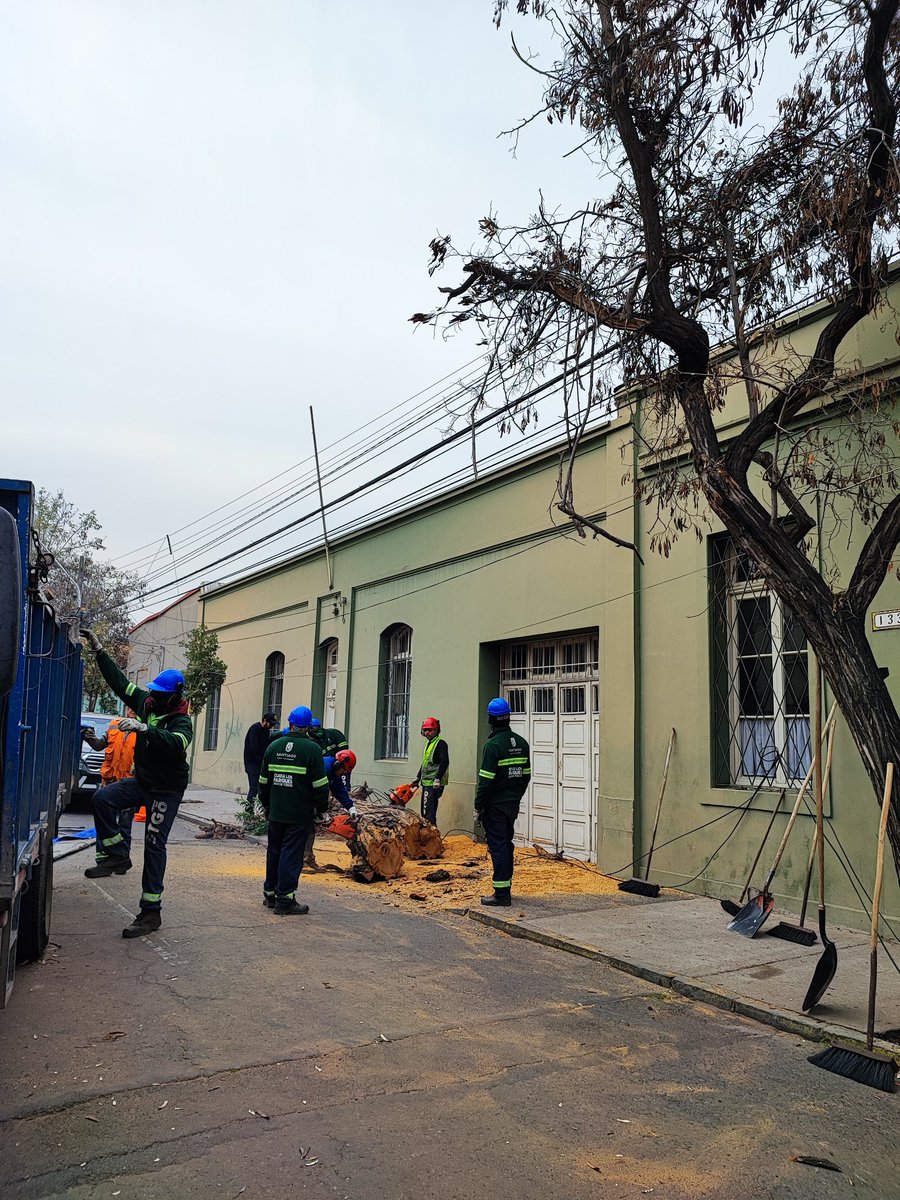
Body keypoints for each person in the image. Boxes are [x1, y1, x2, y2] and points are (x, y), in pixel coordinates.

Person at [79, 629, 193, 939]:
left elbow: (174, 744)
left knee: (155, 846)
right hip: (143, 782)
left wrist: (144, 728)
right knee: (102, 800)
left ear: (174, 696)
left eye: (159, 694)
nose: (152, 697)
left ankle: (150, 913)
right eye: (151, 692)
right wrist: (100, 651)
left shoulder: (182, 721)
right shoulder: (145, 701)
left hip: (166, 791)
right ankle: (117, 856)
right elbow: (119, 682)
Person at [258, 705, 329, 915]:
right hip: (299, 813)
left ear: (289, 723)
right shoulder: (312, 749)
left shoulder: (273, 746)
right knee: (291, 854)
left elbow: (263, 782)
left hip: (276, 812)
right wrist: (322, 810)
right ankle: (285, 900)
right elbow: (320, 786)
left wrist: (267, 805)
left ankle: (270, 894)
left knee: (275, 851)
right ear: (308, 727)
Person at [474, 697, 531, 908]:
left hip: (495, 806)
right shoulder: (522, 743)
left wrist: (478, 806)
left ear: (491, 718)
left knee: (497, 847)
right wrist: (516, 796)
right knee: (506, 845)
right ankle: (505, 887)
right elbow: (526, 776)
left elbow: (485, 781)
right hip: (511, 804)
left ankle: (501, 894)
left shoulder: (493, 746)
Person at [81, 709, 139, 848]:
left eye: (135, 707)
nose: (132, 710)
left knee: (125, 826)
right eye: (129, 707)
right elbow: (99, 745)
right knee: (106, 823)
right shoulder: (115, 725)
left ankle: (122, 858)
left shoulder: (143, 730)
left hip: (129, 785)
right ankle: (105, 858)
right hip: (110, 782)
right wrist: (89, 738)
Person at [306, 721, 349, 869]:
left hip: (311, 799)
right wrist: (323, 812)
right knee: (304, 829)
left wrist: (351, 807)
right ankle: (304, 862)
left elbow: (339, 790)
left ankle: (308, 859)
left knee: (309, 829)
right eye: (343, 771)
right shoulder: (323, 767)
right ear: (338, 766)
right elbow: (321, 792)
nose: (343, 774)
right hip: (303, 799)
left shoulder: (333, 769)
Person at [411, 716, 449, 825]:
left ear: (436, 730)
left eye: (430, 730)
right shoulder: (429, 744)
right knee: (426, 811)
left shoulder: (440, 744)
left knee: (428, 814)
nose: (427, 732)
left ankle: (432, 836)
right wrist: (417, 778)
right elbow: (425, 763)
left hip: (433, 783)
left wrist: (437, 779)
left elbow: (444, 762)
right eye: (425, 730)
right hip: (426, 782)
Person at [242, 711, 278, 816]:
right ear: (264, 720)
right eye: (270, 724)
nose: (271, 726)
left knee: (263, 788)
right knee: (254, 789)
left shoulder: (266, 731)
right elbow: (255, 749)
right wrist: (264, 758)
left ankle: (264, 812)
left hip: (261, 764)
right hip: (252, 764)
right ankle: (248, 813)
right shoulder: (255, 729)